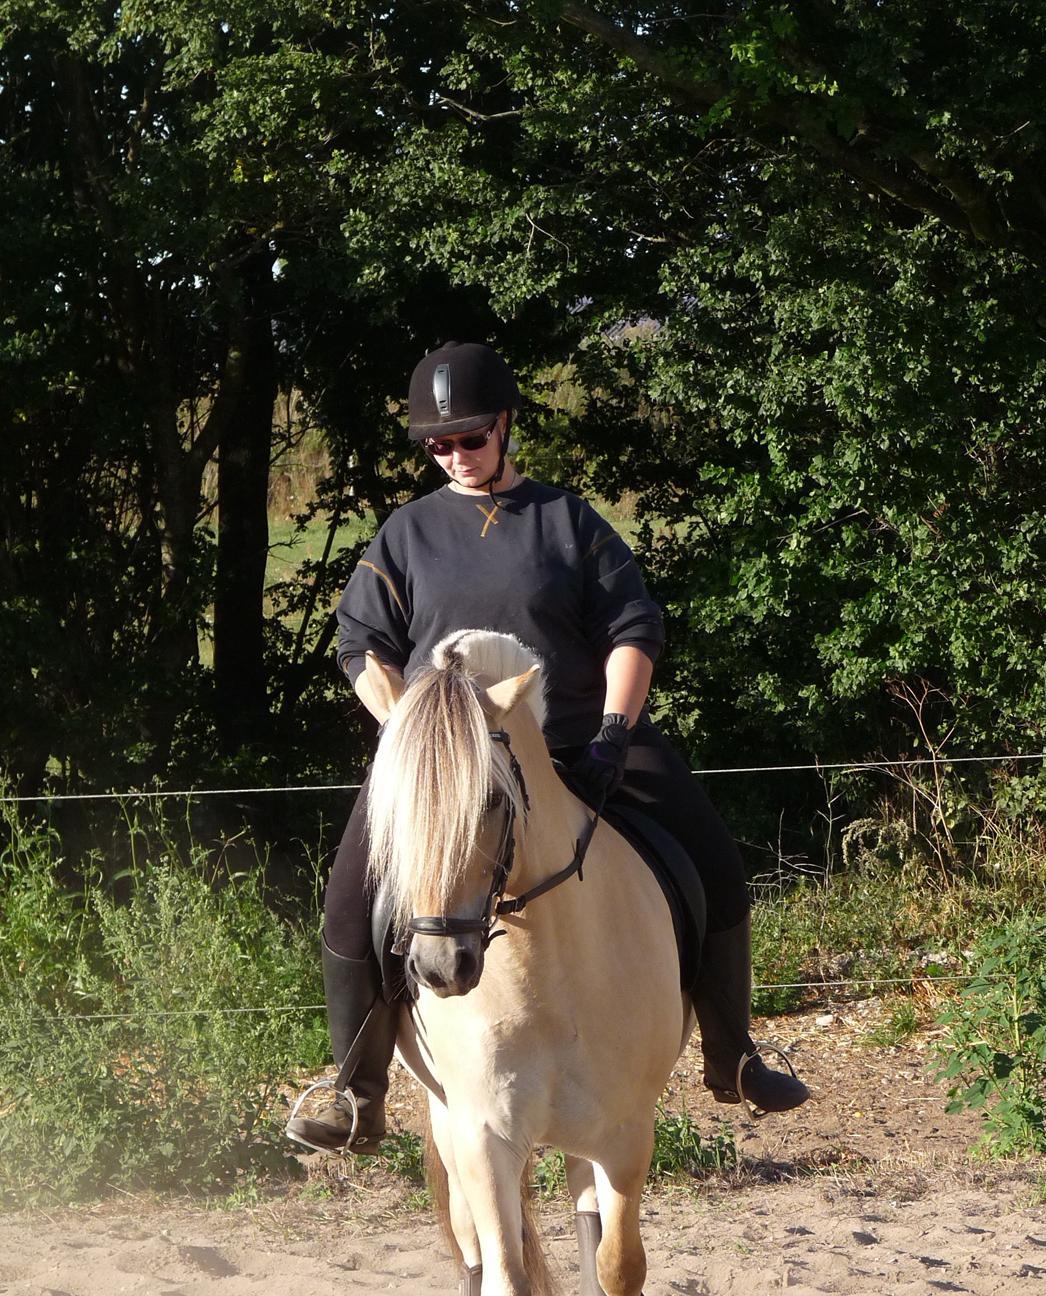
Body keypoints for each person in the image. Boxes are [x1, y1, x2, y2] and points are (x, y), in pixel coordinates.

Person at [286, 342, 808, 1154]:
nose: (453, 456)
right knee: (352, 890)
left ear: (505, 427)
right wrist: (408, 739)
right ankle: (355, 1087)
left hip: (570, 735)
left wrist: (614, 731)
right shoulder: (407, 534)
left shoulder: (568, 522)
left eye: (469, 439)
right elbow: (364, 648)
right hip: (447, 759)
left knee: (711, 854)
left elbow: (633, 629)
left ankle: (732, 1054)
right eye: (437, 444)